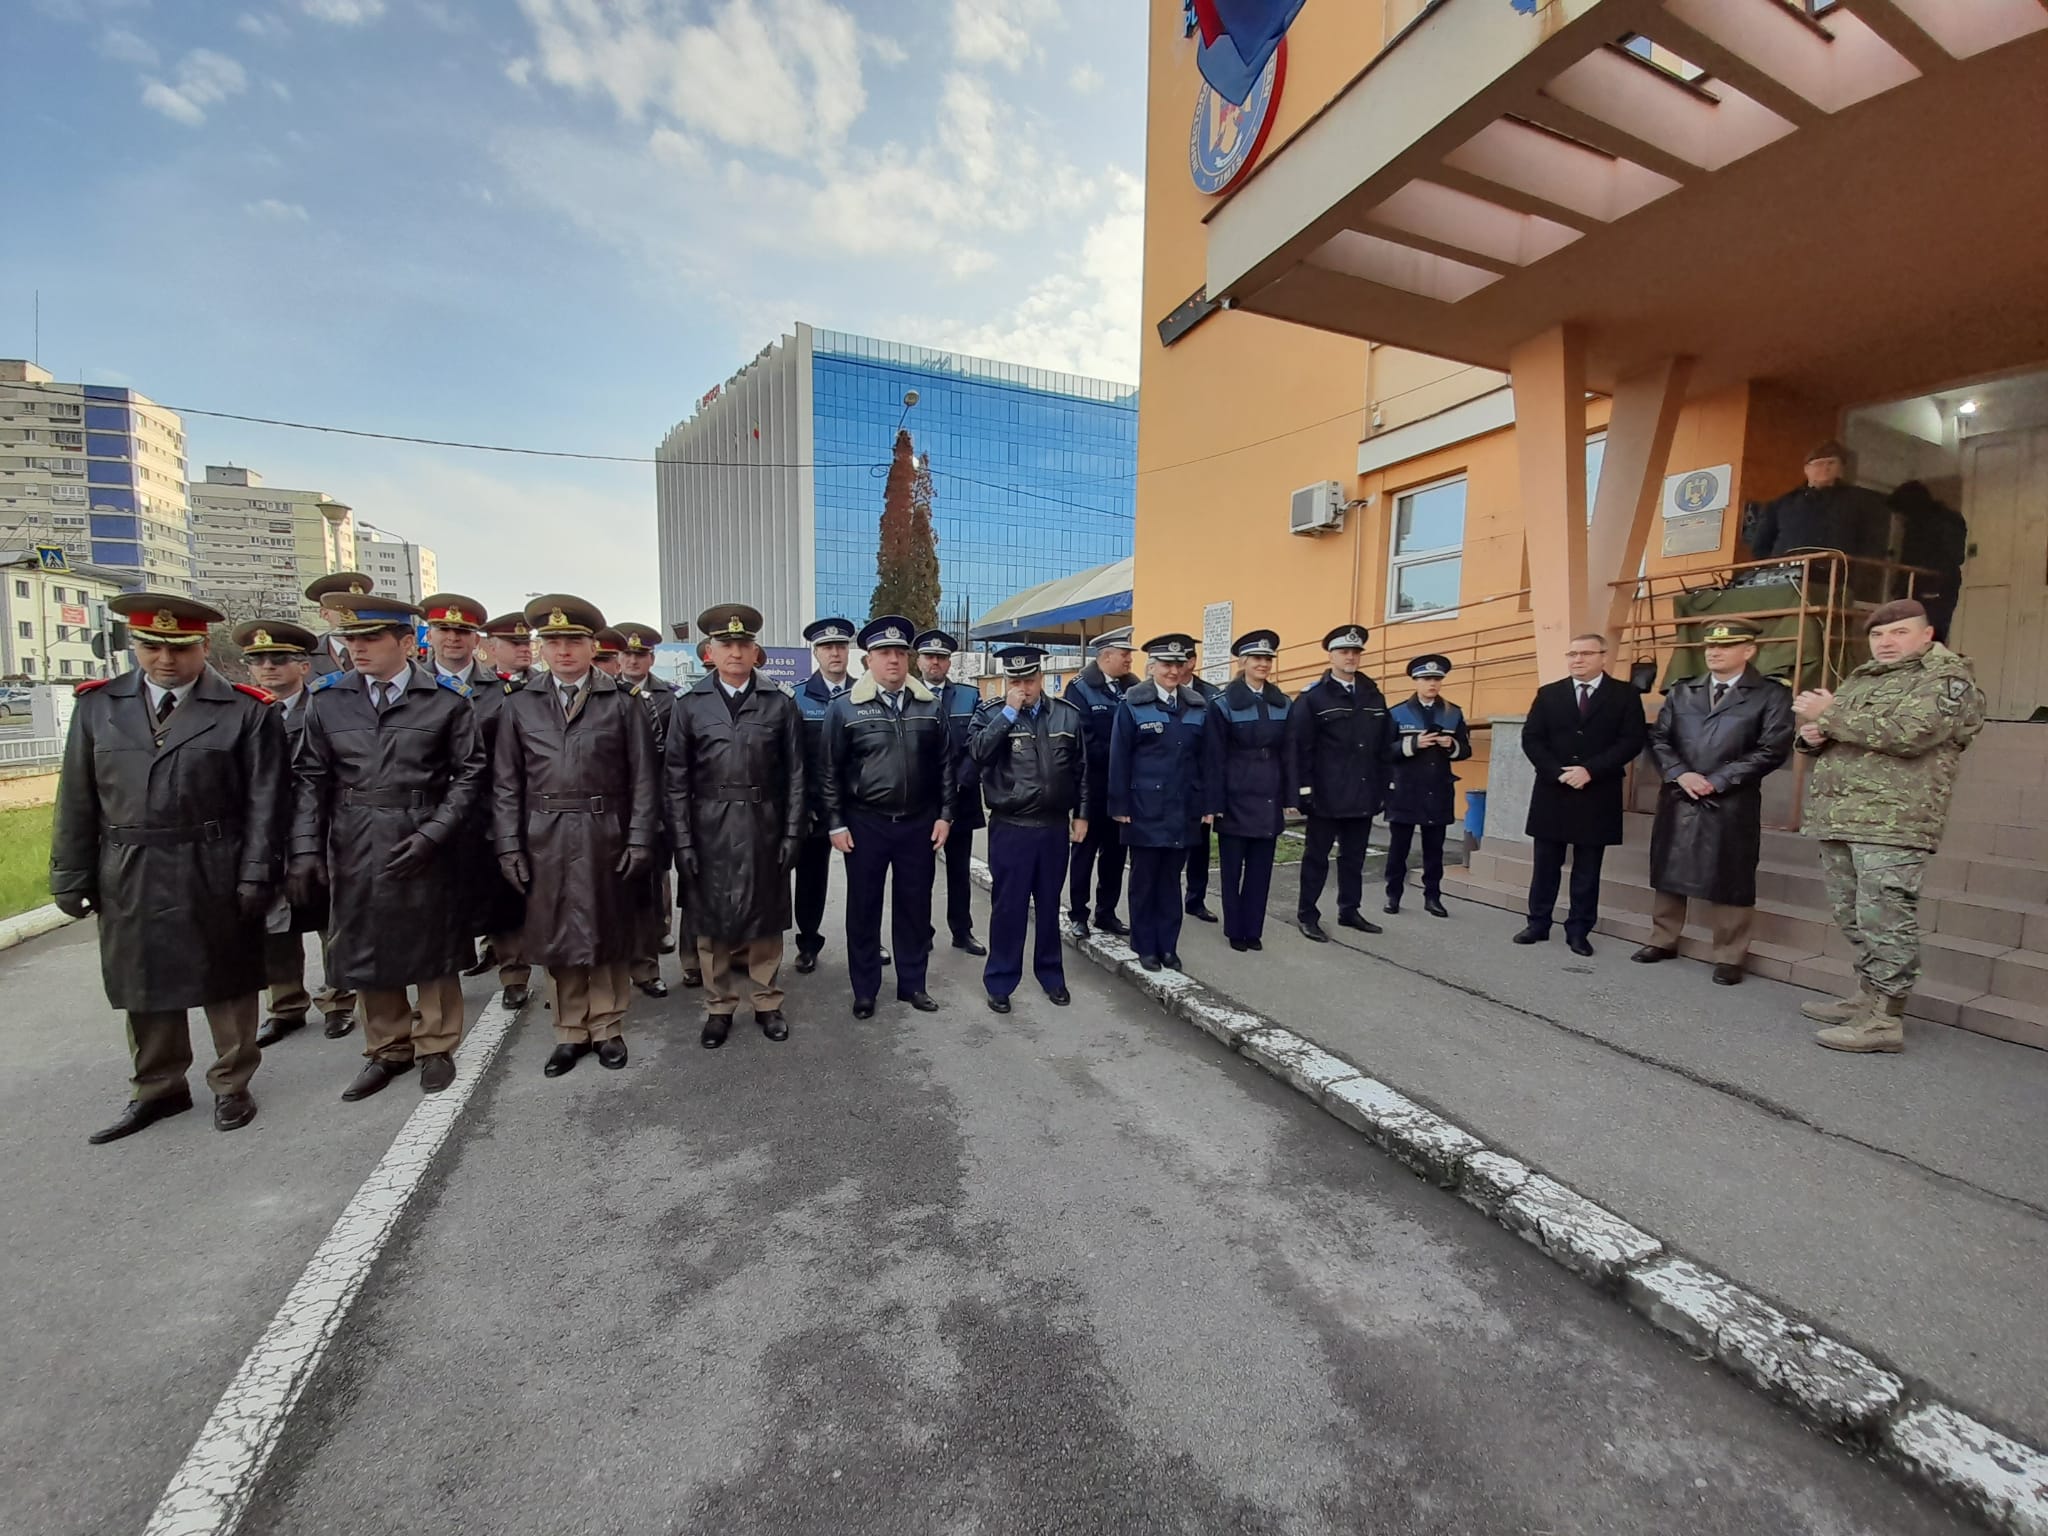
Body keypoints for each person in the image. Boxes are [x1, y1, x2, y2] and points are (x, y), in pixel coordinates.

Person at [53, 593, 288, 1142]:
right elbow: (77, 799)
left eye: (178, 648)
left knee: (227, 977)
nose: (164, 659)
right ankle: (158, 1087)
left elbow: (266, 802)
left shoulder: (244, 710)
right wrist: (70, 874)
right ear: (133, 646)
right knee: (143, 980)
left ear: (202, 646)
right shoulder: (98, 707)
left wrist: (258, 872)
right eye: (151, 646)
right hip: (128, 864)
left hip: (212, 859)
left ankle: (232, 1082)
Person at [291, 594, 487, 1100]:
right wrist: (307, 848)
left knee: (432, 944)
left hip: (424, 828)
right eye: (351, 639)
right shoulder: (330, 699)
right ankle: (387, 1048)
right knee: (366, 943)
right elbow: (311, 778)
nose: (358, 648)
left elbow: (468, 775)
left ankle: (436, 1044)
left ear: (406, 642)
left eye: (370, 638)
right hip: (354, 836)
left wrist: (434, 833)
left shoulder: (444, 698)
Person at [1792, 599, 1985, 1053]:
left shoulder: (1947, 679)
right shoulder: (1865, 678)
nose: (1886, 642)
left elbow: (1910, 734)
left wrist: (1831, 713)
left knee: (1886, 916)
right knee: (1852, 913)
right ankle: (1867, 995)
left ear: (1927, 635)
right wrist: (1811, 736)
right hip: (1843, 814)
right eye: (1879, 635)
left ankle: (1885, 1020)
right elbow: (1840, 732)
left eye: (1899, 633)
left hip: (1894, 819)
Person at [492, 595, 661, 1076]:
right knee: (557, 936)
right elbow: (506, 783)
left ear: (592, 647)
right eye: (553, 642)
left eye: (573, 641)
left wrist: (640, 838)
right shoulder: (520, 705)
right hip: (543, 834)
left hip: (604, 828)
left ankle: (607, 1026)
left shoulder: (624, 704)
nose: (563, 650)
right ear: (542, 648)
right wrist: (508, 844)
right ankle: (570, 1031)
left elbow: (644, 779)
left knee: (607, 933)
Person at [665, 604, 806, 1048]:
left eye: (744, 644)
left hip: (764, 822)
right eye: (726, 644)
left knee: (765, 919)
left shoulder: (780, 704)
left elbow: (797, 775)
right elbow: (675, 779)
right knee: (711, 920)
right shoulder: (689, 707)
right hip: (709, 827)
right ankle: (719, 1005)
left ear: (755, 651)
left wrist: (792, 832)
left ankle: (766, 1001)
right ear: (709, 651)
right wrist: (682, 841)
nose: (735, 652)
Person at [1634, 620, 1795, 984]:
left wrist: (1720, 779)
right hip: (1680, 793)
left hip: (1731, 799)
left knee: (1731, 874)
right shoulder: (1683, 691)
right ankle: (1663, 938)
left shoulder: (1770, 694)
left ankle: (1730, 954)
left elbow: (1773, 748)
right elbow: (1659, 738)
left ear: (1749, 651)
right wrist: (1679, 773)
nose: (1714, 652)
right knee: (1669, 868)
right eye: (1710, 647)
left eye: (1725, 646)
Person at [823, 615, 953, 1018]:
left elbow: (947, 764)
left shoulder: (930, 707)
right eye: (884, 653)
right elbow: (829, 771)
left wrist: (945, 814)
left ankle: (912, 985)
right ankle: (865, 990)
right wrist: (835, 822)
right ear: (869, 661)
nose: (893, 660)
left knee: (914, 909)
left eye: (900, 652)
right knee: (863, 909)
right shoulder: (845, 709)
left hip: (918, 823)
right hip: (866, 824)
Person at [234, 619, 352, 1048]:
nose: (269, 668)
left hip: (322, 828)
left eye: (280, 660)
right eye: (259, 661)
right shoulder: (243, 713)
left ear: (304, 666)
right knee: (274, 923)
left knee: (330, 918)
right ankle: (286, 1005)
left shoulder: (326, 707)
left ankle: (339, 1000)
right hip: (264, 833)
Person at [1515, 633, 1648, 956]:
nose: (1578, 659)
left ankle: (1579, 929)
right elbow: (1532, 738)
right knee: (1545, 863)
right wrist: (1556, 772)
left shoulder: (1625, 695)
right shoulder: (1549, 694)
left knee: (1588, 867)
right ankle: (1538, 923)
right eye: (1572, 653)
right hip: (1553, 790)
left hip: (1597, 791)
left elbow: (1631, 741)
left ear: (1604, 656)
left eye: (1586, 653)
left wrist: (1590, 770)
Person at [971, 645, 1087, 1012]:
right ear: (1007, 681)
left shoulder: (1067, 716)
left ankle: (1051, 975)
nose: (1024, 687)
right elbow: (977, 753)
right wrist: (1008, 713)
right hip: (1012, 826)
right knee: (1009, 907)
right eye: (1016, 680)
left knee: (1050, 904)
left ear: (1042, 678)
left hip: (1052, 828)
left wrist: (1082, 814)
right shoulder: (991, 714)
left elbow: (1082, 771)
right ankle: (1001, 980)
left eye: (1030, 680)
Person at [1109, 633, 1208, 972]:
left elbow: (1206, 760)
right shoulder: (1133, 703)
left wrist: (1207, 802)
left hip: (1182, 809)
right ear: (1152, 666)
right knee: (1144, 880)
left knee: (1171, 880)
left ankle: (1168, 945)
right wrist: (1119, 806)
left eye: (1179, 664)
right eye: (1166, 664)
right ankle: (1145, 945)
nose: (1173, 671)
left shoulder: (1196, 705)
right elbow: (1119, 757)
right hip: (1144, 809)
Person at [1286, 624, 1391, 943]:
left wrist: (1384, 787)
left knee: (1354, 857)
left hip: (1362, 792)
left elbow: (1385, 747)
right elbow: (1298, 748)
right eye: (1344, 652)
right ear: (1331, 656)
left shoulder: (1373, 694)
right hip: (1326, 794)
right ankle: (1307, 914)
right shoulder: (1314, 698)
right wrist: (1302, 791)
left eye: (1355, 652)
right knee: (1316, 858)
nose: (1350, 657)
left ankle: (1349, 909)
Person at [420, 593, 502, 983]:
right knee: (438, 903)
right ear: (429, 636)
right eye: (444, 630)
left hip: (489, 807)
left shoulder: (502, 690)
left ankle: (514, 975)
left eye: (462, 631)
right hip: (431, 811)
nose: (453, 638)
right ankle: (445, 974)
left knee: (505, 895)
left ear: (476, 641)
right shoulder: (413, 687)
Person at [1202, 630, 1288, 952]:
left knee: (1260, 871)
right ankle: (1235, 929)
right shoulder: (1223, 705)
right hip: (1235, 796)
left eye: (1268, 659)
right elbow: (1213, 758)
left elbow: (1289, 752)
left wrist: (1290, 796)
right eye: (1257, 659)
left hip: (1268, 795)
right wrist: (1214, 802)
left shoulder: (1282, 703)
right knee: (1232, 870)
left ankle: (1254, 928)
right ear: (1243, 662)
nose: (1263, 664)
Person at [611, 621, 676, 1000]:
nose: (633, 660)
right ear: (618, 657)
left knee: (648, 889)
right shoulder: (607, 694)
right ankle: (608, 971)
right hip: (608, 809)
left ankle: (646, 967)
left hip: (654, 806)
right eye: (627, 653)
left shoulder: (668, 697)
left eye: (640, 654)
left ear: (651, 658)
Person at [1381, 654, 1471, 918]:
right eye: (1426, 679)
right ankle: (1393, 895)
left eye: (1436, 679)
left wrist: (1451, 746)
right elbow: (1384, 751)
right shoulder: (1397, 712)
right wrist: (1413, 744)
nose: (1431, 684)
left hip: (1438, 789)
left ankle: (1432, 897)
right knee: (1399, 848)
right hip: (1405, 790)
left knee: (1434, 850)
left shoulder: (1453, 713)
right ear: (1415, 681)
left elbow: (1465, 749)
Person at [791, 616, 858, 973]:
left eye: (841, 646)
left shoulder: (865, 692)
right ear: (816, 652)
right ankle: (808, 942)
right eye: (827, 647)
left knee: (865, 879)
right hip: (816, 808)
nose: (835, 653)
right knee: (811, 879)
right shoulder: (798, 697)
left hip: (859, 806)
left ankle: (867, 941)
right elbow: (793, 758)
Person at [477, 612, 536, 1009]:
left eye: (525, 642)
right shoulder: (477, 690)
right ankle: (510, 969)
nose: (521, 649)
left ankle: (543, 971)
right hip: (493, 804)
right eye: (511, 643)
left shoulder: (546, 688)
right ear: (490, 647)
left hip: (549, 808)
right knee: (504, 894)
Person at [1745, 440, 1892, 598]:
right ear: (1806, 469)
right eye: (1819, 464)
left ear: (1841, 468)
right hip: (1786, 582)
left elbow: (1872, 545)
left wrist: (1859, 578)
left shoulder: (1861, 502)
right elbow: (1760, 547)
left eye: (1831, 463)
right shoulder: (1781, 504)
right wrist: (1774, 569)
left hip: (1838, 583)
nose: (1825, 468)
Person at [917, 629, 987, 958]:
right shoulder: (908, 696)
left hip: (961, 798)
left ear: (949, 663)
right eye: (929, 656)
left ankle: (962, 930)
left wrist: (963, 781)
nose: (935, 662)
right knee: (919, 873)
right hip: (920, 802)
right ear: (918, 661)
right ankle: (921, 932)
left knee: (959, 871)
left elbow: (978, 747)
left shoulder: (969, 697)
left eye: (942, 657)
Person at [1065, 627, 1135, 937]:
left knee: (1116, 854)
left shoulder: (1133, 688)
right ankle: (1079, 913)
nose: (1129, 659)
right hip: (1091, 787)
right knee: (1083, 852)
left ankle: (1107, 912)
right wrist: (1120, 754)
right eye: (1124, 654)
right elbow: (1081, 740)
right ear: (1106, 656)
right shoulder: (1080, 688)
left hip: (1122, 789)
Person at [1892, 481, 1968, 643]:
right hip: (1941, 586)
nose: (1898, 519)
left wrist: (1900, 589)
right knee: (1932, 637)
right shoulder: (1949, 520)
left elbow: (1911, 559)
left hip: (1928, 585)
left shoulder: (1920, 526)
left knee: (1917, 636)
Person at [1182, 667, 1221, 923]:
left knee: (1199, 848)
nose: (1177, 665)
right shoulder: (1152, 694)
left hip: (1198, 785)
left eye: (1184, 658)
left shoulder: (1211, 695)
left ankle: (1196, 900)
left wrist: (1210, 797)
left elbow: (1213, 751)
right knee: (1167, 854)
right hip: (1169, 788)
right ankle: (1165, 905)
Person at [305, 571, 375, 678]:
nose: (354, 613)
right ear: (325, 613)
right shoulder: (307, 653)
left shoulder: (381, 648)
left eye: (359, 607)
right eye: (344, 608)